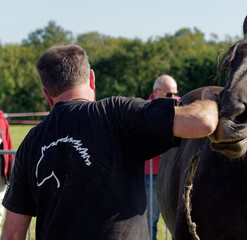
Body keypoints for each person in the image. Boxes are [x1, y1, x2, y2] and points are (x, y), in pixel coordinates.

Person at [1, 44, 219, 240]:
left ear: (46, 95)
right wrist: (210, 98)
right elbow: (203, 122)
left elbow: (12, 234)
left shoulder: (31, 142)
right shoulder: (116, 114)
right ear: (92, 79)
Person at [145, 75, 180, 240]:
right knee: (150, 219)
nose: (173, 98)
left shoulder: (182, 104)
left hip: (174, 172)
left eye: (174, 94)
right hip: (151, 174)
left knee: (176, 219)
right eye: (169, 95)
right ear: (155, 92)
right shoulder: (143, 108)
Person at [0, 110, 13, 226]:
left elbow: (8, 146)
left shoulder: (3, 121)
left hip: (1, 174)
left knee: (0, 203)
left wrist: (10, 172)